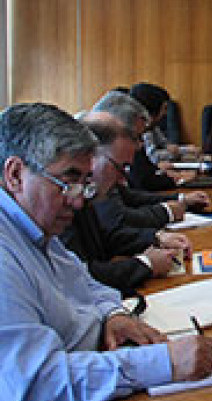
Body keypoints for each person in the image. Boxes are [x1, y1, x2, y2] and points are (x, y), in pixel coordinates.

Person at [0, 103, 212, 401]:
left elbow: (88, 283)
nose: (78, 200)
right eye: (68, 181)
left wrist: (113, 315)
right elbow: (39, 389)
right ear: (16, 174)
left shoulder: (35, 227)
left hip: (87, 399)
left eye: (85, 183)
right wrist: (165, 363)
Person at [60, 114, 191, 296]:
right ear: (91, 158)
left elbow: (106, 238)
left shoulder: (86, 195)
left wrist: (156, 239)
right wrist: (146, 264)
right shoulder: (63, 202)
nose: (123, 180)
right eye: (120, 168)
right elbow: (79, 277)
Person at [91, 91, 210, 229]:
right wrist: (167, 213)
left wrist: (181, 199)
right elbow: (117, 220)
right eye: (136, 137)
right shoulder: (93, 168)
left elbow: (127, 196)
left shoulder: (109, 162)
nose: (140, 145)